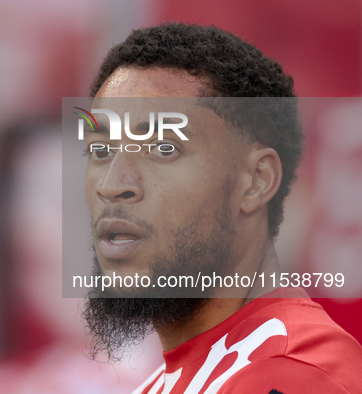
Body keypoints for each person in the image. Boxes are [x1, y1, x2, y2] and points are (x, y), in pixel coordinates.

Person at [80, 23, 362, 393]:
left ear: (255, 181)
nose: (112, 185)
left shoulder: (290, 375)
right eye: (101, 150)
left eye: (163, 148)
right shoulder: (172, 380)